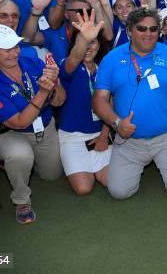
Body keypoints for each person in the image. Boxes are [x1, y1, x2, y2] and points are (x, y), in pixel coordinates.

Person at [92, 7, 167, 200]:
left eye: (153, 29)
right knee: (119, 192)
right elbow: (99, 100)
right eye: (142, 28)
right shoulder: (112, 59)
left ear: (159, 31)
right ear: (130, 30)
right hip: (129, 141)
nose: (148, 33)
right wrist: (117, 123)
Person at [0, 24, 66, 224]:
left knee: (52, 175)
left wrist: (55, 83)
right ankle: (21, 199)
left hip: (43, 127)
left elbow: (60, 101)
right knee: (19, 154)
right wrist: (43, 92)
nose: (14, 53)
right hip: (9, 133)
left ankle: (19, 165)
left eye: (15, 46)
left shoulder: (32, 61)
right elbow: (19, 122)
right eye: (7, 49)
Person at [58, 10, 111, 195]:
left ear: (99, 45)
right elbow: (75, 57)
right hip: (72, 137)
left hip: (99, 135)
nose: (88, 47)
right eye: (83, 43)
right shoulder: (68, 65)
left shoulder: (104, 69)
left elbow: (110, 104)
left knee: (109, 181)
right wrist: (83, 37)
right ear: (75, 45)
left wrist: (105, 135)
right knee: (83, 188)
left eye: (93, 42)